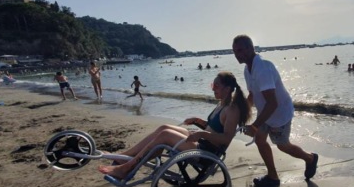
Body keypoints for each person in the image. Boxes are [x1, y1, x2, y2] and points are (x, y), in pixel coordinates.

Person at [98, 71, 251, 179]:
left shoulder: (232, 109)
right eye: (213, 85)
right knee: (164, 127)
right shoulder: (222, 104)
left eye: (216, 86)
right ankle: (124, 156)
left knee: (165, 136)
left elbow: (225, 138)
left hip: (208, 152)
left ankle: (126, 167)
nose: (213, 88)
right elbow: (213, 128)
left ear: (228, 88)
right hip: (203, 142)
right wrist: (198, 121)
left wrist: (202, 134)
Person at [232, 35, 318, 187]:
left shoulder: (263, 69)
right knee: (260, 140)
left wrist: (255, 126)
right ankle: (273, 177)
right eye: (234, 51)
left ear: (251, 48)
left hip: (279, 113)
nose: (237, 54)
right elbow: (252, 95)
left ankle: (310, 159)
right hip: (265, 112)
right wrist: (242, 112)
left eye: (240, 50)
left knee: (282, 145)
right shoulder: (248, 69)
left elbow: (273, 103)